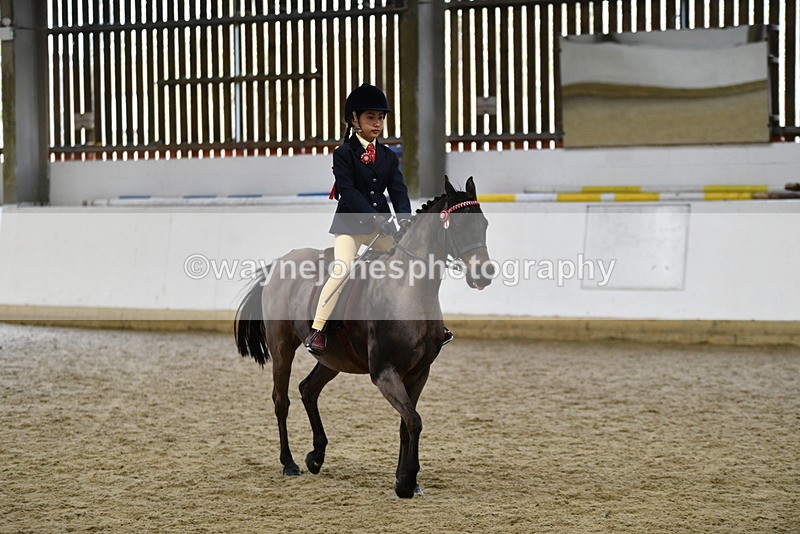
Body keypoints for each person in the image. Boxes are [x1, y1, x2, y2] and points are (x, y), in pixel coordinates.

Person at [304, 83, 453, 355]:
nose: (377, 123)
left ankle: (431, 325)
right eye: (371, 117)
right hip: (351, 227)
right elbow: (347, 193)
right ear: (354, 120)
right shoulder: (343, 154)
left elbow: (398, 190)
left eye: (380, 118)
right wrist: (376, 217)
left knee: (413, 264)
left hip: (383, 228)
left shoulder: (387, 155)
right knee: (343, 269)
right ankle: (319, 329)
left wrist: (405, 219)